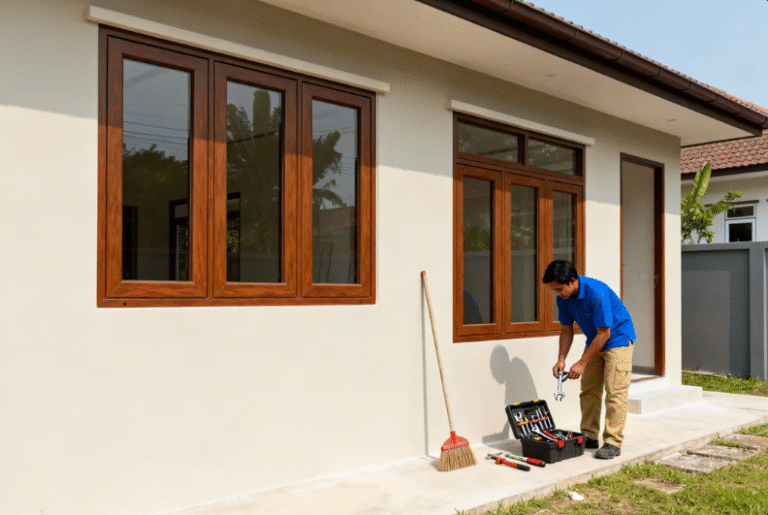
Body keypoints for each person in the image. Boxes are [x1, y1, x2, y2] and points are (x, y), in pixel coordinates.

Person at [542, 259, 635, 460]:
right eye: (554, 290)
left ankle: (612, 442)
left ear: (573, 281)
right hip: (596, 340)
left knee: (615, 391)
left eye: (559, 289)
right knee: (589, 389)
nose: (558, 294)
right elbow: (566, 329)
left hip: (617, 338)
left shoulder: (596, 292)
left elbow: (605, 333)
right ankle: (590, 436)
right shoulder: (564, 298)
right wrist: (561, 359)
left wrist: (582, 362)